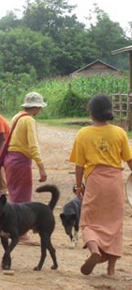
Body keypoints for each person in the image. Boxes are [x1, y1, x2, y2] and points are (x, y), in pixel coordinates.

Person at [69, 95, 132, 276]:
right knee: (115, 224)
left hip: (95, 181)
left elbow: (79, 165)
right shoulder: (119, 132)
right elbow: (129, 160)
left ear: (91, 112)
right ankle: (111, 270)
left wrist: (79, 187)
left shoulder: (83, 133)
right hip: (115, 182)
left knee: (88, 221)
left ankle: (95, 249)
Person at [0, 91, 47, 244]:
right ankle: (21, 233)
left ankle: (13, 229)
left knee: (15, 195)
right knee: (22, 199)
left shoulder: (17, 117)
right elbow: (33, 146)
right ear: (37, 107)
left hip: (11, 159)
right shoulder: (29, 120)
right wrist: (41, 166)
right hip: (20, 161)